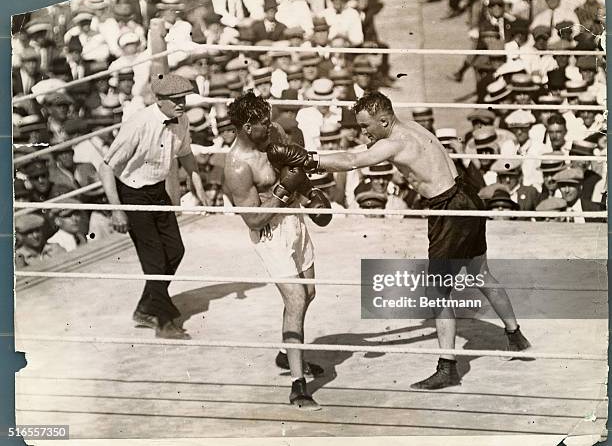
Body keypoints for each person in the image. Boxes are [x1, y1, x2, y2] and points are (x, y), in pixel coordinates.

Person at [266, 91, 531, 389]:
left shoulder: (395, 142)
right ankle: (515, 335)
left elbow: (354, 159)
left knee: (437, 291)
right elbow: (361, 149)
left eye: (367, 127)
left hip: (449, 210)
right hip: (465, 197)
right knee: (479, 273)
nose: (364, 132)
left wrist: (309, 159)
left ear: (384, 119)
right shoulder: (408, 126)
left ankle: (448, 368)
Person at [224, 91, 331, 410]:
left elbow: (294, 168)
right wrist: (284, 191)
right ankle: (299, 387)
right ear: (246, 128)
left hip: (294, 222)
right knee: (295, 299)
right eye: (261, 124)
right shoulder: (237, 167)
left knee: (308, 293)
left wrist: (310, 193)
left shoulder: (272, 135)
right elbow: (253, 220)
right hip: (270, 234)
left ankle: (287, 354)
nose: (269, 127)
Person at [98, 74, 209, 340]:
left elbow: (186, 155)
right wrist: (117, 210)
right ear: (159, 100)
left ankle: (147, 306)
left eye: (183, 99)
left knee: (175, 250)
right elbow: (106, 167)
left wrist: (199, 187)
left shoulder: (180, 119)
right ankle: (164, 321)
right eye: (175, 100)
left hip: (158, 190)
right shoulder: (138, 124)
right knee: (155, 260)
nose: (181, 104)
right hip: (132, 193)